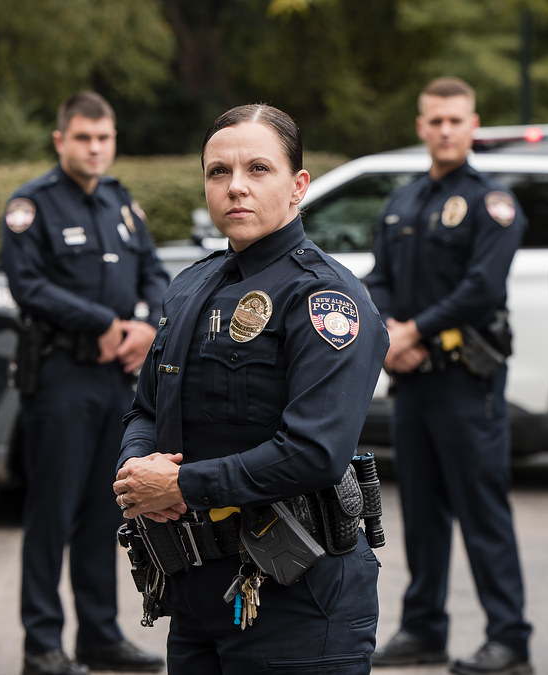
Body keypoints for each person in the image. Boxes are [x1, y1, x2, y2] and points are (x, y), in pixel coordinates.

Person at [112, 103, 389, 674]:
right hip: (194, 590)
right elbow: (145, 408)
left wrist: (181, 485)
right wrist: (138, 473)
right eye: (219, 172)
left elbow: (313, 453)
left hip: (297, 596)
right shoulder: (190, 288)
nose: (236, 187)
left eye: (258, 169)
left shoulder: (325, 300)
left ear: (298, 186)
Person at [366, 77, 534, 675]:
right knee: (422, 512)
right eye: (434, 120)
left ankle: (510, 639)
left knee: (482, 512)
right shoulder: (403, 202)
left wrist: (414, 331)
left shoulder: (493, 202)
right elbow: (378, 279)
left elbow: (482, 288)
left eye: (455, 121)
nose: (444, 130)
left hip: (468, 382)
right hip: (413, 383)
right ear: (421, 126)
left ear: (473, 125)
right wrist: (389, 333)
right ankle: (424, 630)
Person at [0, 91, 169, 675]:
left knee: (109, 510)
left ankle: (100, 635)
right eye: (83, 138)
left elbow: (153, 271)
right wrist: (102, 322)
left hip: (117, 381)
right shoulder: (32, 206)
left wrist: (144, 325)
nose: (95, 148)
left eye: (104, 138)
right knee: (53, 512)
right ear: (60, 141)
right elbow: (29, 287)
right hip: (61, 379)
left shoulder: (122, 204)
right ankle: (42, 644)